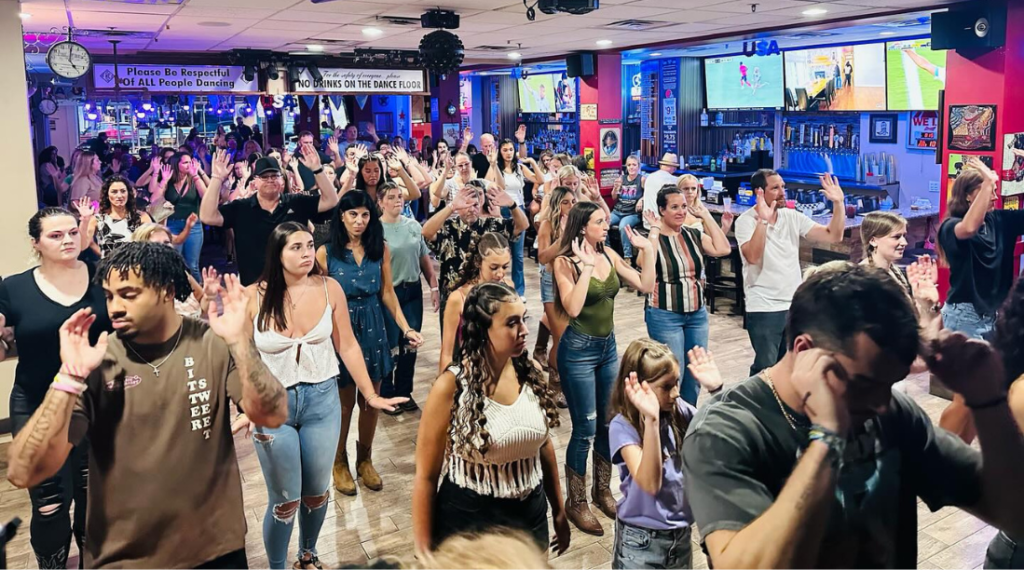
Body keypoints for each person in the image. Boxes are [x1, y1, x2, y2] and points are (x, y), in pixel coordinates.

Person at [680, 262, 1024, 568]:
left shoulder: (892, 412)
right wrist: (828, 438)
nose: (879, 403)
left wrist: (986, 400)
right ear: (805, 350)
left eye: (889, 383)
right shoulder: (725, 430)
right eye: (863, 384)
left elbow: (1014, 514)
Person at [7, 242, 291, 568]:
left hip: (216, 548)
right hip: (125, 557)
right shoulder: (98, 360)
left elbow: (271, 414)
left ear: (167, 290)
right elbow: (24, 470)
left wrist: (241, 342)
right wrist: (68, 378)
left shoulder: (211, 343)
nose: (113, 307)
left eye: (128, 295)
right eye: (109, 296)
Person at [243, 222, 404, 569]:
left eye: (308, 245)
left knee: (316, 493)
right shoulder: (252, 295)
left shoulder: (330, 288)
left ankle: (308, 555)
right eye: (295, 247)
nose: (305, 253)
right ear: (277, 253)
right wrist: (245, 403)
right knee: (285, 500)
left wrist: (369, 394)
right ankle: (276, 566)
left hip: (322, 399)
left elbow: (346, 344)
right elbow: (241, 358)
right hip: (273, 406)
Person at [411, 282, 570, 555]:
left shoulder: (529, 372)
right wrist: (424, 554)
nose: (525, 330)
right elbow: (426, 477)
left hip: (530, 514)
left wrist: (559, 510)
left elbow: (543, 446)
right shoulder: (451, 386)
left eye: (523, 319)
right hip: (470, 520)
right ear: (484, 330)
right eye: (512, 323)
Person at [0, 208, 110, 569]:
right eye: (55, 235)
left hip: (95, 403)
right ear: (36, 244)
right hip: (37, 403)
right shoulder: (14, 287)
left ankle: (91, 562)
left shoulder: (102, 276)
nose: (67, 240)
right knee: (49, 503)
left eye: (72, 233)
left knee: (92, 495)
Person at [553, 201, 655, 535]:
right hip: (578, 351)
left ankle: (602, 489)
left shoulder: (609, 255)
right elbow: (572, 307)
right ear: (583, 227)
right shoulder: (564, 262)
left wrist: (649, 247)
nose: (606, 225)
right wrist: (584, 269)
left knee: (609, 424)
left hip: (608, 348)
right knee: (584, 428)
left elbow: (644, 284)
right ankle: (576, 501)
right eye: (600, 221)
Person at [317, 191, 424, 496]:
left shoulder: (381, 249)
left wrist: (405, 328)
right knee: (344, 403)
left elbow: (388, 293)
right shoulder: (327, 253)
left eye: (365, 215)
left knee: (371, 401)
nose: (360, 221)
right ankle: (339, 462)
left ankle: (365, 459)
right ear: (341, 216)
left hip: (375, 326)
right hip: (341, 329)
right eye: (353, 215)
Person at [608, 339, 721, 569]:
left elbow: (722, 445)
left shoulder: (681, 412)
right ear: (640, 387)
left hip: (679, 537)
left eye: (677, 383)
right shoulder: (623, 427)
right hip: (639, 543)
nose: (676, 393)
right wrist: (651, 421)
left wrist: (717, 391)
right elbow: (650, 483)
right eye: (667, 386)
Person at [937, 157, 1024, 443]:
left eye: (995, 189)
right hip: (965, 315)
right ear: (968, 194)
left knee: (985, 394)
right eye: (987, 189)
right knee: (967, 396)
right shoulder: (950, 227)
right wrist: (989, 178)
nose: (995, 195)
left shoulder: (1000, 221)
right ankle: (945, 451)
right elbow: (969, 228)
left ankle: (963, 449)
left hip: (995, 316)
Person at [736, 169, 846, 377]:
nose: (782, 192)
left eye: (783, 187)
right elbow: (753, 257)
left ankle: (785, 409)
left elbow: (833, 236)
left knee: (792, 367)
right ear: (759, 192)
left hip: (793, 304)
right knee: (765, 369)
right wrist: (763, 221)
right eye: (775, 188)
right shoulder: (746, 221)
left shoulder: (792, 217)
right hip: (764, 305)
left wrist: (839, 204)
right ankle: (757, 407)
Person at [643, 185, 731, 405]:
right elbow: (645, 265)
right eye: (674, 207)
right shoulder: (652, 238)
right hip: (665, 313)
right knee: (673, 372)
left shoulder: (693, 234)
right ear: (662, 210)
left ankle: (687, 419)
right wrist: (654, 231)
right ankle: (668, 421)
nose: (681, 211)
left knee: (695, 373)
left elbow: (723, 249)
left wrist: (706, 215)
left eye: (684, 206)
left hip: (696, 313)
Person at [201, 148, 339, 285]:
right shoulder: (241, 207)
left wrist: (318, 169)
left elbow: (331, 200)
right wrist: (216, 178)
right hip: (255, 285)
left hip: (294, 284)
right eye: (264, 177)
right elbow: (208, 216)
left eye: (274, 176)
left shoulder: (296, 202)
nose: (270, 180)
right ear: (255, 182)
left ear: (282, 181)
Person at [422, 180, 528, 329]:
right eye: (466, 205)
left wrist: (512, 205)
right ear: (459, 206)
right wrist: (451, 207)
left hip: (487, 300)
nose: (471, 209)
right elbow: (426, 231)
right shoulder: (447, 228)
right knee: (453, 348)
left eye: (475, 205)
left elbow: (523, 225)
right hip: (454, 299)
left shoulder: (492, 225)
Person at [378, 184, 439, 414]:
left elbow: (424, 260)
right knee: (391, 345)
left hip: (412, 291)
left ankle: (404, 392)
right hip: (388, 294)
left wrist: (433, 287)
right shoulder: (376, 229)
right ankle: (386, 392)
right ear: (381, 202)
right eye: (391, 197)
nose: (397, 201)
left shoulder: (413, 226)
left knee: (410, 345)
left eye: (400, 197)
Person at [439, 232, 512, 373]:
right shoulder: (458, 298)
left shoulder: (508, 288)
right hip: (471, 372)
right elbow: (447, 353)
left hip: (502, 370)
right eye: (494, 267)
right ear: (478, 262)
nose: (500, 274)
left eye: (505, 267)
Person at [535, 186, 577, 408]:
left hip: (573, 281)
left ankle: (562, 378)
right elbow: (542, 257)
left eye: (573, 201)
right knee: (562, 339)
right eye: (566, 202)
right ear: (557, 205)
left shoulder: (577, 223)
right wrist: (563, 239)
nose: (571, 206)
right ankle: (555, 383)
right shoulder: (547, 225)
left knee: (570, 336)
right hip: (551, 283)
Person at [489, 138, 542, 298]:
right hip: (501, 209)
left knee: (518, 255)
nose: (508, 153)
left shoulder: (519, 168)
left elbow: (539, 180)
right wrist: (493, 165)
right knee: (500, 253)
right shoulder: (496, 167)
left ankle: (519, 292)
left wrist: (532, 161)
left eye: (511, 150)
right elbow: (500, 186)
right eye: (504, 150)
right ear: (500, 152)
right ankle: (499, 288)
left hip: (518, 210)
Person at [152, 151, 207, 281]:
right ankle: (177, 294)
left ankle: (198, 296)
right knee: (175, 263)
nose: (189, 165)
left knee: (192, 265)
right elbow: (154, 199)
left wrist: (196, 176)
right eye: (185, 162)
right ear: (177, 165)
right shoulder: (168, 181)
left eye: (190, 162)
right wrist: (164, 180)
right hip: (172, 224)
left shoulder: (194, 179)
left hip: (194, 226)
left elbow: (205, 195)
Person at [77, 176, 155, 258]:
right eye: (114, 192)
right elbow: (82, 246)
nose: (119, 195)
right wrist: (84, 220)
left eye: (123, 191)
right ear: (107, 194)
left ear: (129, 193)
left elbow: (153, 245)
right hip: (108, 267)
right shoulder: (97, 219)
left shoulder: (142, 217)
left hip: (135, 265)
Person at [609, 156, 645, 261]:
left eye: (634, 165)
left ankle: (627, 256)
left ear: (638, 166)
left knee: (623, 226)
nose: (631, 167)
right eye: (629, 165)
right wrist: (615, 188)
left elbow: (649, 194)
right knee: (604, 222)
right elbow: (614, 197)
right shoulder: (621, 179)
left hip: (632, 214)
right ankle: (607, 250)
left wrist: (641, 199)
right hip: (617, 211)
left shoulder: (642, 179)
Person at [641, 153, 680, 229]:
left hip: (647, 222)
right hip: (661, 225)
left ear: (661, 165)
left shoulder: (649, 177)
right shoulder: (673, 180)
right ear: (673, 168)